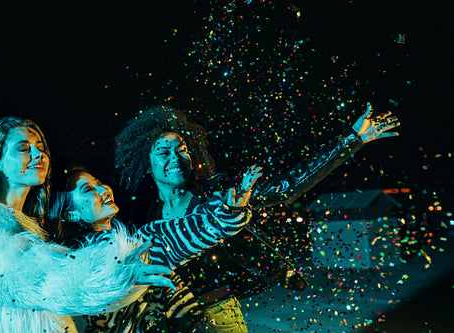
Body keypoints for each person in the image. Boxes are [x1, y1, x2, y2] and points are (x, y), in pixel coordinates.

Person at [113, 103, 400, 332]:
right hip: (171, 320)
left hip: (218, 315)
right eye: (163, 152)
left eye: (182, 149)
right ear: (146, 165)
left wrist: (352, 139)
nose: (176, 157)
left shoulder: (217, 195)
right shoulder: (144, 217)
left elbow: (287, 186)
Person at [0, 117, 176, 333]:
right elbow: (43, 280)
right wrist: (116, 273)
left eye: (40, 147)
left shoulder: (23, 227)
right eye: (24, 148)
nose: (38, 154)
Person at [44, 165, 260, 332]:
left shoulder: (136, 240)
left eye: (99, 183)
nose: (103, 189)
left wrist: (229, 210)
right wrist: (227, 213)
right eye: (89, 189)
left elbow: (186, 232)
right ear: (71, 214)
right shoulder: (74, 263)